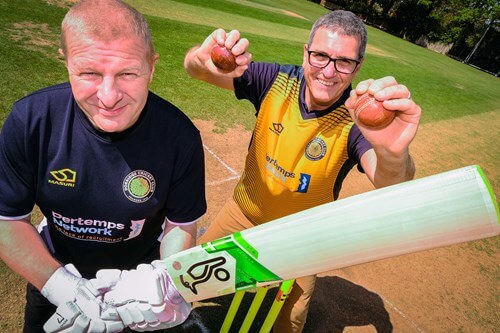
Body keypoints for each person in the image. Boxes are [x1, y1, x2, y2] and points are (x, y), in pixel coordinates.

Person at [184, 10, 421, 333]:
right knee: (188, 275)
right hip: (244, 212)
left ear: (358, 66)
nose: (328, 71)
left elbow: (391, 181)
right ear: (305, 52)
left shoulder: (357, 118)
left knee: (291, 321)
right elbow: (198, 71)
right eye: (320, 56)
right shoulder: (276, 80)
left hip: (304, 237)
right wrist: (200, 58)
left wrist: (393, 153)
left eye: (343, 61)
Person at [0, 0, 206, 332]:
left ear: (151, 67)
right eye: (88, 73)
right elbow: (6, 220)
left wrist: (166, 279)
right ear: (66, 62)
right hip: (51, 272)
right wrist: (60, 286)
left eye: (127, 73)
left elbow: (180, 224)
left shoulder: (180, 137)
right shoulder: (30, 121)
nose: (108, 97)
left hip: (139, 291)